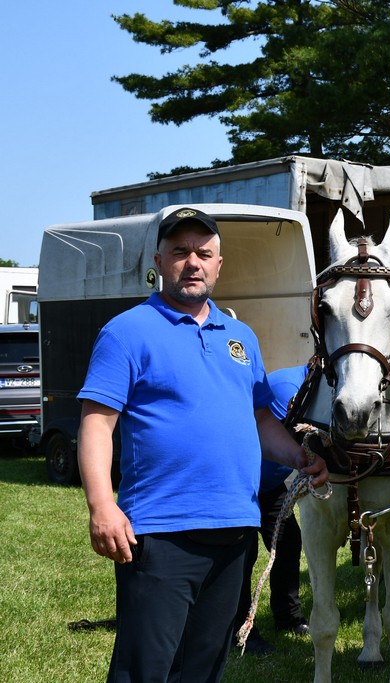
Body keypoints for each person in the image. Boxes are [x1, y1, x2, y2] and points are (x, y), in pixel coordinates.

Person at [78, 207, 328, 683]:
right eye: (180, 251)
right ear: (159, 260)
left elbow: (260, 420)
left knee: (204, 668)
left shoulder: (241, 337)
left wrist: (300, 456)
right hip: (159, 533)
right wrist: (101, 505)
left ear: (218, 265)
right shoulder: (127, 331)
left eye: (203, 253)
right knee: (145, 669)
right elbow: (96, 424)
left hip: (234, 529)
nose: (192, 262)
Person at [233, 364, 312, 655]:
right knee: (242, 555)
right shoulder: (287, 389)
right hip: (242, 482)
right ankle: (241, 629)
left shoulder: (316, 389)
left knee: (289, 541)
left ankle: (288, 619)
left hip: (269, 485)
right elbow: (274, 436)